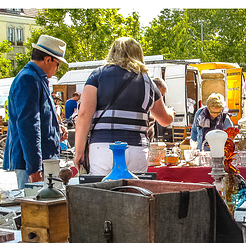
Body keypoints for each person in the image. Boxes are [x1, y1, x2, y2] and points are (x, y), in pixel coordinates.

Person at [74, 37, 174, 175]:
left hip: (102, 148)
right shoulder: (148, 82)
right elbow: (165, 120)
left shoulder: (98, 75)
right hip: (137, 149)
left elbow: (84, 114)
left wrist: (79, 151)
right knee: (134, 193)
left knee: (102, 193)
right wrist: (171, 112)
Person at [3, 34, 69, 188]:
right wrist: (34, 169)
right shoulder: (29, 79)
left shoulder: (35, 78)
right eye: (58, 64)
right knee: (35, 209)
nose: (57, 69)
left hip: (40, 162)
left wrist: (55, 130)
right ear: (48, 60)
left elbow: (38, 120)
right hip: (33, 164)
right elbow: (29, 126)